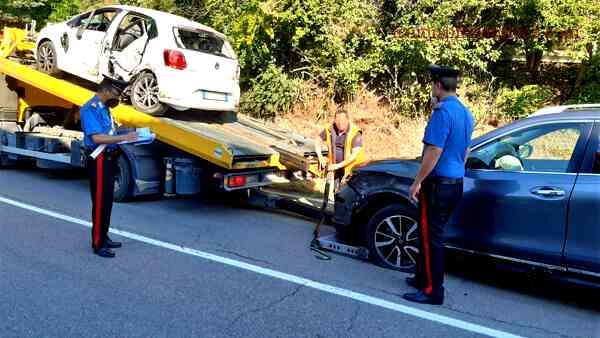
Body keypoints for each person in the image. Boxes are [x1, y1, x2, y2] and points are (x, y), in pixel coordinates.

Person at [403, 65, 474, 305]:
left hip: (437, 186)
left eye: (432, 85)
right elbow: (466, 150)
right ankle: (421, 278)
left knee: (430, 239)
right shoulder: (466, 113)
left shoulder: (442, 112)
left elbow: (434, 150)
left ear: (437, 85)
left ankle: (433, 291)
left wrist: (417, 182)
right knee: (429, 234)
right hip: (455, 183)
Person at [80, 78, 137, 258]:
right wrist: (125, 138)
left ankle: (104, 236)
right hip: (99, 159)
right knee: (100, 202)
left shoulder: (105, 109)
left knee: (107, 201)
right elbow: (97, 138)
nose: (118, 98)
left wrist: (127, 132)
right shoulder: (90, 108)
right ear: (107, 90)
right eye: (117, 93)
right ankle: (98, 243)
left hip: (109, 158)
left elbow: (109, 133)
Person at [315, 108, 366, 191]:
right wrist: (320, 157)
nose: (340, 123)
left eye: (342, 120)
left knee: (348, 194)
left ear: (347, 120)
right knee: (336, 192)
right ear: (334, 120)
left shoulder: (355, 133)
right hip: (336, 169)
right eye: (338, 120)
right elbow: (318, 140)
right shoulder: (330, 129)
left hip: (352, 170)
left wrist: (336, 166)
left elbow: (353, 156)